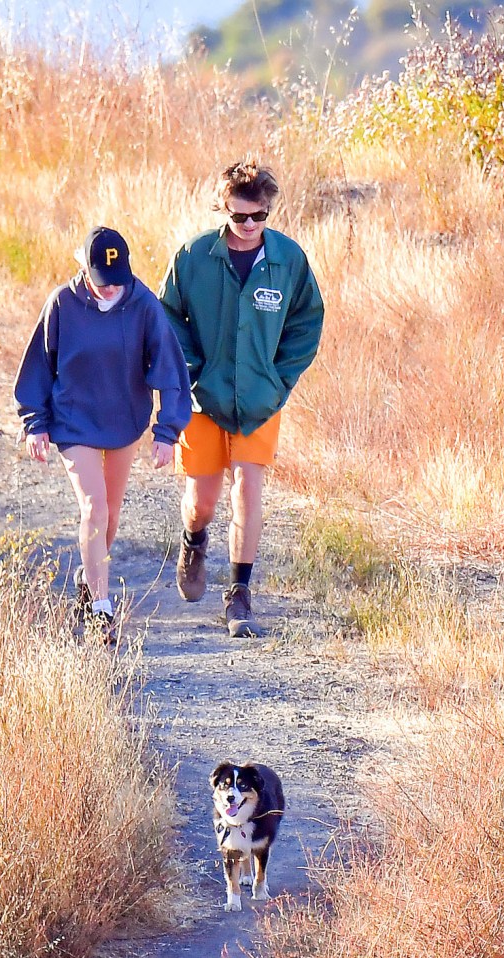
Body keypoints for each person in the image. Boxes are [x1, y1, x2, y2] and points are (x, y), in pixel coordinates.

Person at [158, 160, 324, 638]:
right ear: (223, 209)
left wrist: (278, 379)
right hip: (203, 400)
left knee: (249, 488)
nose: (249, 226)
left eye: (260, 216)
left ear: (269, 211)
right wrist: (192, 371)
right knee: (202, 501)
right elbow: (168, 317)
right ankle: (193, 540)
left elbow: (307, 321)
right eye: (239, 217)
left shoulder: (288, 260)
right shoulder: (192, 257)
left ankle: (239, 595)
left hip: (258, 400)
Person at [14, 226, 191, 642]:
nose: (111, 291)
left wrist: (166, 432)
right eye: (102, 284)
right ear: (85, 270)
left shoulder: (144, 305)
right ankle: (100, 607)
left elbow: (170, 370)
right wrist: (34, 422)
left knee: (110, 514)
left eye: (118, 283)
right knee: (94, 508)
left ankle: (87, 576)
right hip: (75, 421)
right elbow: (39, 365)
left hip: (124, 421)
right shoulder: (62, 303)